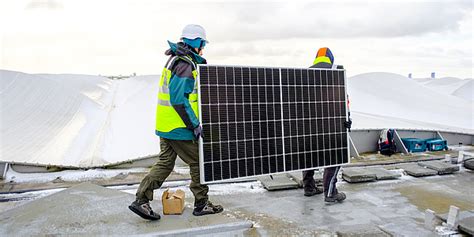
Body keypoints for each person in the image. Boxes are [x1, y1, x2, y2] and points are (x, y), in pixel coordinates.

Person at [129, 24, 223, 220]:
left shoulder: (174, 59)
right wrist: (194, 125)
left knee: (165, 163)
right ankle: (201, 203)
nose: (203, 49)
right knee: (199, 162)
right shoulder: (185, 64)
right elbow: (179, 99)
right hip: (180, 126)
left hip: (166, 125)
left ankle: (141, 200)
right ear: (196, 43)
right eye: (202, 44)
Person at [302, 47, 352, 203]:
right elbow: (343, 101)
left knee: (307, 155)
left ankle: (309, 188)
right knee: (334, 157)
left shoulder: (304, 73)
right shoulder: (336, 71)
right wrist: (347, 119)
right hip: (330, 125)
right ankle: (330, 193)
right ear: (331, 58)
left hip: (307, 125)